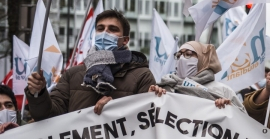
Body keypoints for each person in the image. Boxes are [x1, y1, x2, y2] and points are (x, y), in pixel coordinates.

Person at [26, 9, 155, 118]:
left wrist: (115, 109)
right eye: (100, 28)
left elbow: (148, 120)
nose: (105, 33)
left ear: (125, 40)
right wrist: (38, 94)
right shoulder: (73, 75)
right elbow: (48, 115)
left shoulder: (141, 76)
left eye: (113, 29)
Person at [149, 41, 244, 112]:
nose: (181, 59)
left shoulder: (223, 91)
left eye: (188, 54)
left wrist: (230, 109)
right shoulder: (165, 87)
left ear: (202, 60)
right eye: (178, 55)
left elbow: (243, 123)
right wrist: (150, 97)